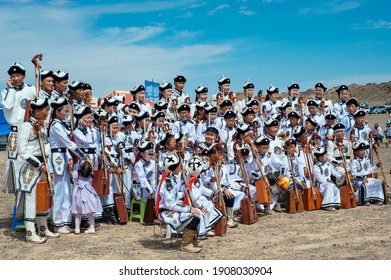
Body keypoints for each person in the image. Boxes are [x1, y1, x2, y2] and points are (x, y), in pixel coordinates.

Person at [16, 96, 59, 243]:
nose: (47, 112)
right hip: (32, 167)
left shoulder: (42, 126)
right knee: (31, 198)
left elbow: (47, 149)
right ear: (37, 111)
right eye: (45, 110)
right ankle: (30, 232)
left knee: (44, 196)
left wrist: (50, 169)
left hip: (44, 166)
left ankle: (43, 229)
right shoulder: (26, 126)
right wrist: (37, 164)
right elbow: (22, 150)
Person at [49, 96, 88, 233]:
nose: (66, 114)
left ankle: (64, 221)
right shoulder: (56, 126)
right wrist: (83, 155)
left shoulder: (61, 125)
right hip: (57, 158)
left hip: (64, 156)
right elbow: (69, 143)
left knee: (66, 190)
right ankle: (57, 222)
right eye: (64, 111)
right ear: (57, 112)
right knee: (59, 191)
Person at [155, 153, 202, 253]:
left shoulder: (171, 179)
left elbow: (174, 197)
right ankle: (185, 244)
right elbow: (169, 204)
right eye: (180, 165)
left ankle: (192, 240)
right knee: (193, 217)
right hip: (166, 212)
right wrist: (189, 209)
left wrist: (183, 194)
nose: (181, 167)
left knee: (197, 212)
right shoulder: (168, 182)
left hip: (171, 209)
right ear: (176, 167)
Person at [1, 62, 36, 194]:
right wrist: (10, 89)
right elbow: (8, 106)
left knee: (31, 162)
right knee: (16, 164)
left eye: (18, 75)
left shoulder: (31, 90)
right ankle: (18, 196)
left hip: (29, 131)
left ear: (24, 76)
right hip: (15, 132)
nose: (15, 78)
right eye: (13, 76)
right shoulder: (5, 92)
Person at [71, 160, 103, 234]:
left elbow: (73, 173)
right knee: (90, 213)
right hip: (89, 196)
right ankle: (92, 227)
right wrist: (90, 164)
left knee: (78, 213)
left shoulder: (77, 175)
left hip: (79, 196)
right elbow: (91, 170)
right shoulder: (91, 177)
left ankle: (77, 228)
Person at [350, 141, 384, 206]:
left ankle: (376, 199)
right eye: (361, 150)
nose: (363, 152)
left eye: (364, 150)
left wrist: (377, 166)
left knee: (377, 182)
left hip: (366, 178)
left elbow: (369, 170)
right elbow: (354, 174)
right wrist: (362, 179)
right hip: (357, 180)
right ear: (355, 152)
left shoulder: (365, 160)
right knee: (364, 185)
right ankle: (364, 200)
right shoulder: (354, 162)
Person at [313, 146, 341, 211]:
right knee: (330, 186)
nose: (326, 156)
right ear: (320, 157)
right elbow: (319, 178)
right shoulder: (316, 166)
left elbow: (333, 171)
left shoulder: (327, 164)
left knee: (336, 189)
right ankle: (327, 204)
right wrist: (328, 181)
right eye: (325, 155)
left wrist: (340, 176)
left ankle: (336, 203)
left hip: (328, 183)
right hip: (321, 185)